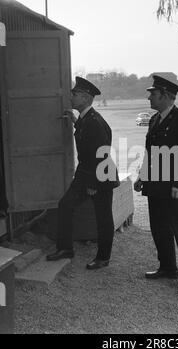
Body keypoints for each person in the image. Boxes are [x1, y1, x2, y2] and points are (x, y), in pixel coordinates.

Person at [134, 75, 178, 295]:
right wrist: (142, 176)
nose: (149, 97)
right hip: (155, 186)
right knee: (159, 229)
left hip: (174, 187)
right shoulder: (154, 120)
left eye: (153, 94)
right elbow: (149, 152)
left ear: (165, 96)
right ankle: (168, 268)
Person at [47, 77, 120, 270]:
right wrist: (76, 121)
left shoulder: (94, 122)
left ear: (86, 98)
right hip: (87, 173)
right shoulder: (87, 119)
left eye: (75, 94)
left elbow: (101, 155)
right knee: (65, 205)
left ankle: (103, 257)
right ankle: (65, 248)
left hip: (100, 177)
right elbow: (87, 140)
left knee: (103, 217)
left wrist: (93, 185)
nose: (71, 96)